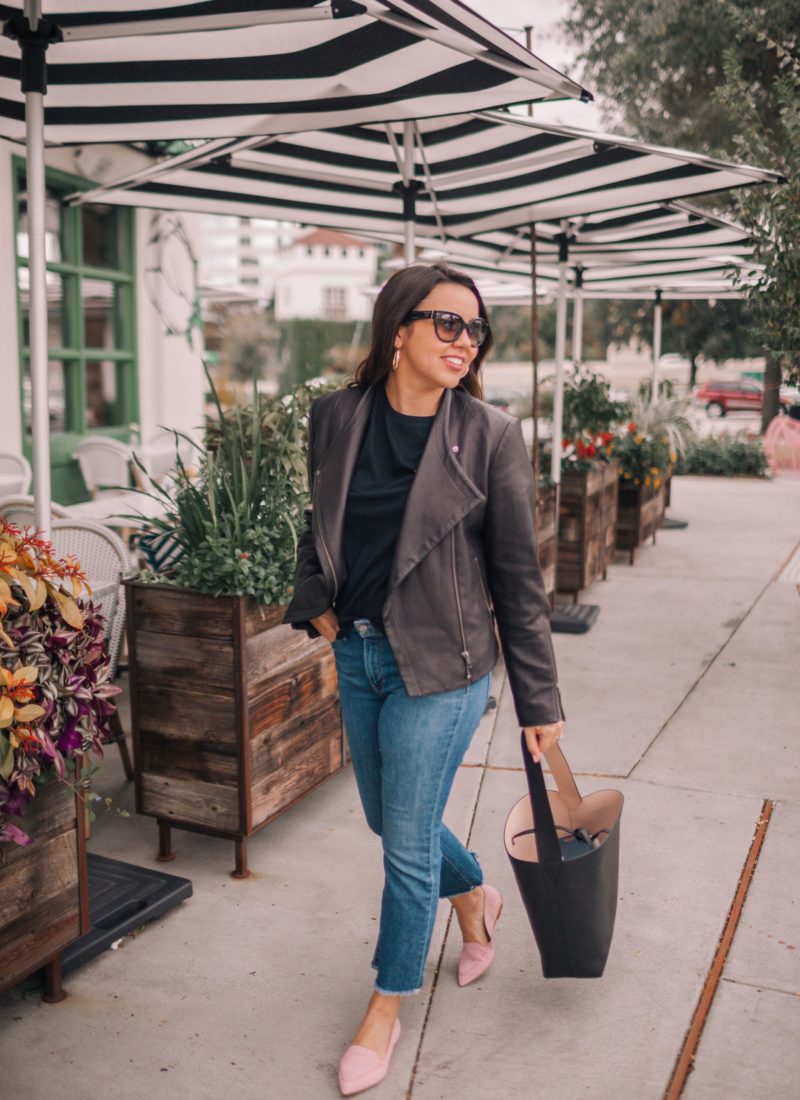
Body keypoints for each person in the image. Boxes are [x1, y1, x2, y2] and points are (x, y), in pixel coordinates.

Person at [283, 263, 564, 1097]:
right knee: (384, 818)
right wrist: (314, 602)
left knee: (404, 844)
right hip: (359, 653)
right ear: (397, 329)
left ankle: (385, 1004)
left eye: (476, 330)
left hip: (446, 668)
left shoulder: (489, 436)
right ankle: (475, 897)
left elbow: (520, 580)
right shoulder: (336, 417)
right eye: (448, 323)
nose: (464, 341)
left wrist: (539, 702)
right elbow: (318, 521)